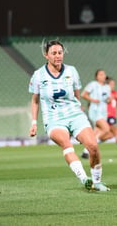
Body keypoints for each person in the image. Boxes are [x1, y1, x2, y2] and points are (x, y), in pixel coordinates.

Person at [28, 40, 109, 192]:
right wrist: (34, 122)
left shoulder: (72, 71)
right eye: (54, 53)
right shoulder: (38, 75)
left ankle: (97, 182)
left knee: (93, 147)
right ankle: (85, 179)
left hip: (75, 115)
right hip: (53, 118)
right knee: (66, 144)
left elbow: (77, 95)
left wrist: (79, 113)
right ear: (46, 55)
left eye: (60, 53)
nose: (57, 56)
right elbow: (35, 101)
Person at [81, 71, 117, 158]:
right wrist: (93, 100)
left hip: (103, 113)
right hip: (95, 112)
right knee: (106, 129)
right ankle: (90, 149)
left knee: (108, 135)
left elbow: (106, 100)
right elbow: (83, 94)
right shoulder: (93, 84)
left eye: (104, 74)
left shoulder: (107, 88)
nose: (103, 76)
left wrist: (110, 99)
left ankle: (86, 151)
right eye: (101, 74)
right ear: (97, 76)